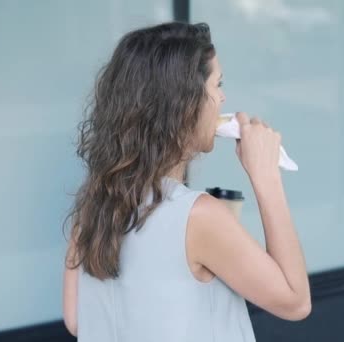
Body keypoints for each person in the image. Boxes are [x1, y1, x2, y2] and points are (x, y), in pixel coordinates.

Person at [62, 21, 311, 341]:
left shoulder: (92, 206)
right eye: (218, 84)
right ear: (186, 105)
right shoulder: (198, 216)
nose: (223, 98)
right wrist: (266, 176)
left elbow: (77, 319)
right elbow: (296, 302)